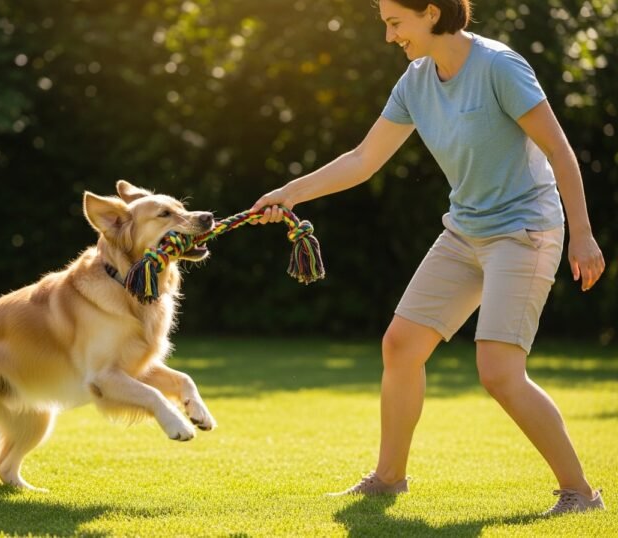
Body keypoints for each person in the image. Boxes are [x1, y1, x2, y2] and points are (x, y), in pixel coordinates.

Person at [250, 0, 606, 516]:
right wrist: (290, 194)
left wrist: (583, 235)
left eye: (395, 23)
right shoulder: (416, 81)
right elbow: (363, 159)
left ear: (432, 13)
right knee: (400, 346)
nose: (390, 36)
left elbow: (559, 150)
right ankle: (388, 478)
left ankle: (580, 494)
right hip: (465, 231)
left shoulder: (499, 67)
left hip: (523, 231)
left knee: (499, 371)